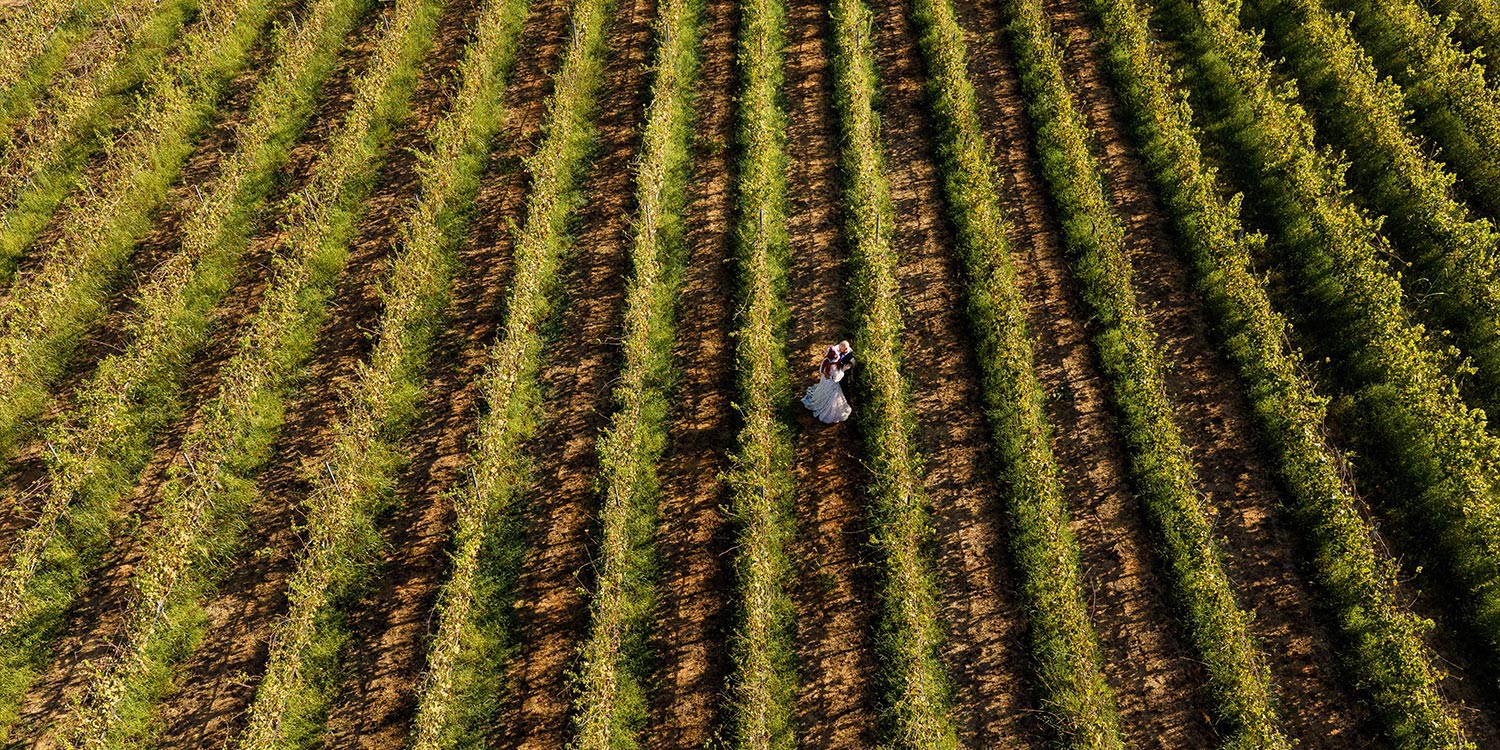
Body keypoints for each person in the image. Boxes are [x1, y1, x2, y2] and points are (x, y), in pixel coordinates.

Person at [802, 341, 853, 424]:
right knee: (833, 398)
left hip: (825, 381)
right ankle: (830, 413)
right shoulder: (833, 366)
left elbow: (822, 371)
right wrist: (843, 370)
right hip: (832, 383)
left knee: (823, 392)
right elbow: (836, 378)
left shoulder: (827, 359)